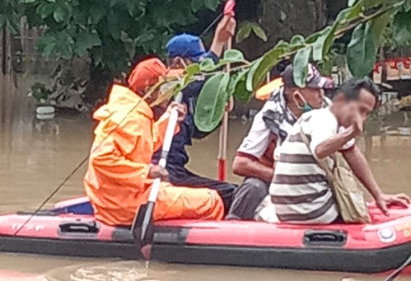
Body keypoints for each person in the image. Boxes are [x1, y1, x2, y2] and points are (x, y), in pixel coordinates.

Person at [84, 58, 224, 226]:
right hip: (122, 204)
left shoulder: (134, 113)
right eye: (165, 87)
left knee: (199, 195)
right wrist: (148, 171)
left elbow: (145, 143)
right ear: (150, 89)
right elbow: (101, 160)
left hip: (124, 195)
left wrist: (169, 120)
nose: (170, 91)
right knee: (211, 200)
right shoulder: (128, 117)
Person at [270, 78, 410, 223]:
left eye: (367, 113)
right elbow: (320, 150)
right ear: (342, 100)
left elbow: (353, 154)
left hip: (284, 210)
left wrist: (378, 195)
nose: (363, 118)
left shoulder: (317, 118)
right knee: (354, 210)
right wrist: (352, 132)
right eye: (360, 110)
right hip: (311, 211)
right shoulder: (324, 119)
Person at [152, 14, 237, 213]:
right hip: (161, 170)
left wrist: (219, 110)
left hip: (177, 169)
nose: (201, 68)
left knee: (234, 190)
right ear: (179, 62)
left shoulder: (184, 97)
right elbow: (199, 78)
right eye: (197, 62)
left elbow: (199, 129)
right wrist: (218, 43)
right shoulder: (166, 85)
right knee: (228, 193)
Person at [226, 64, 332, 220]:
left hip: (315, 181)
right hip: (274, 181)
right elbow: (241, 164)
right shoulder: (269, 117)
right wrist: (284, 177)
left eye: (321, 89)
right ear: (294, 94)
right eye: (314, 89)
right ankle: (233, 230)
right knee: (252, 188)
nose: (321, 94)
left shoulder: (329, 114)